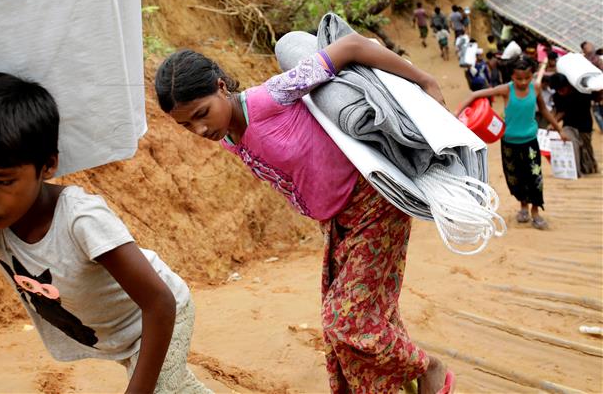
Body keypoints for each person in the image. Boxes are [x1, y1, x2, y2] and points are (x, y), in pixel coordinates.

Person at [0, 0, 211, 394]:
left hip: (155, 319)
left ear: (48, 165)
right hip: (119, 332)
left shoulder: (81, 220)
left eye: (1, 181)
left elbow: (159, 303)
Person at [154, 33, 455, 394]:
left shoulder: (271, 96)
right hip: (337, 222)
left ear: (221, 87)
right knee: (368, 314)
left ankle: (429, 368)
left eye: (201, 114)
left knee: (348, 323)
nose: (199, 130)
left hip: (373, 204)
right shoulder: (229, 136)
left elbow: (352, 47)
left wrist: (425, 79)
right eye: (186, 125)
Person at [455, 57, 566, 230]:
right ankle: (523, 207)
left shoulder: (535, 88)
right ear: (512, 76)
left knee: (535, 177)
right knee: (516, 177)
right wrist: (457, 115)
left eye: (527, 78)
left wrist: (559, 129)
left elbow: (543, 109)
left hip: (530, 142)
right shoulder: (506, 89)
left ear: (532, 76)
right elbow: (474, 95)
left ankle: (535, 211)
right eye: (518, 78)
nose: (523, 82)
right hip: (508, 143)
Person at [550, 73, 600, 176]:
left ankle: (589, 168)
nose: (560, 92)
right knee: (572, 146)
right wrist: (553, 123)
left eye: (562, 88)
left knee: (586, 150)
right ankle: (575, 172)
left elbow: (597, 97)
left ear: (567, 85)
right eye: (558, 90)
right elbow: (559, 111)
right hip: (569, 125)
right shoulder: (557, 96)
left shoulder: (582, 93)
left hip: (584, 125)